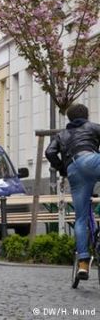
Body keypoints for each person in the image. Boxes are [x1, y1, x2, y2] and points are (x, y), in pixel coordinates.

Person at [46, 103, 100, 281]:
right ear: (86, 116)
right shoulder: (93, 127)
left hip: (74, 170)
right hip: (91, 160)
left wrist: (62, 168)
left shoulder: (61, 134)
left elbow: (49, 152)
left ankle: (83, 263)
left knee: (81, 218)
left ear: (69, 118)